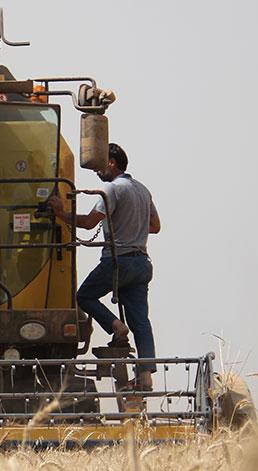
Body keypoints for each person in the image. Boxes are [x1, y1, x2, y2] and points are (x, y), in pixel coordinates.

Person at [46, 142, 161, 390]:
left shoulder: (111, 189)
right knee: (141, 320)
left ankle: (116, 327)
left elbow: (88, 223)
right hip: (141, 262)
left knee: (84, 296)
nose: (98, 171)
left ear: (111, 163)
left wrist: (60, 213)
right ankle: (145, 377)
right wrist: (133, 228)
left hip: (117, 261)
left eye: (101, 165)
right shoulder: (142, 190)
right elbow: (155, 226)